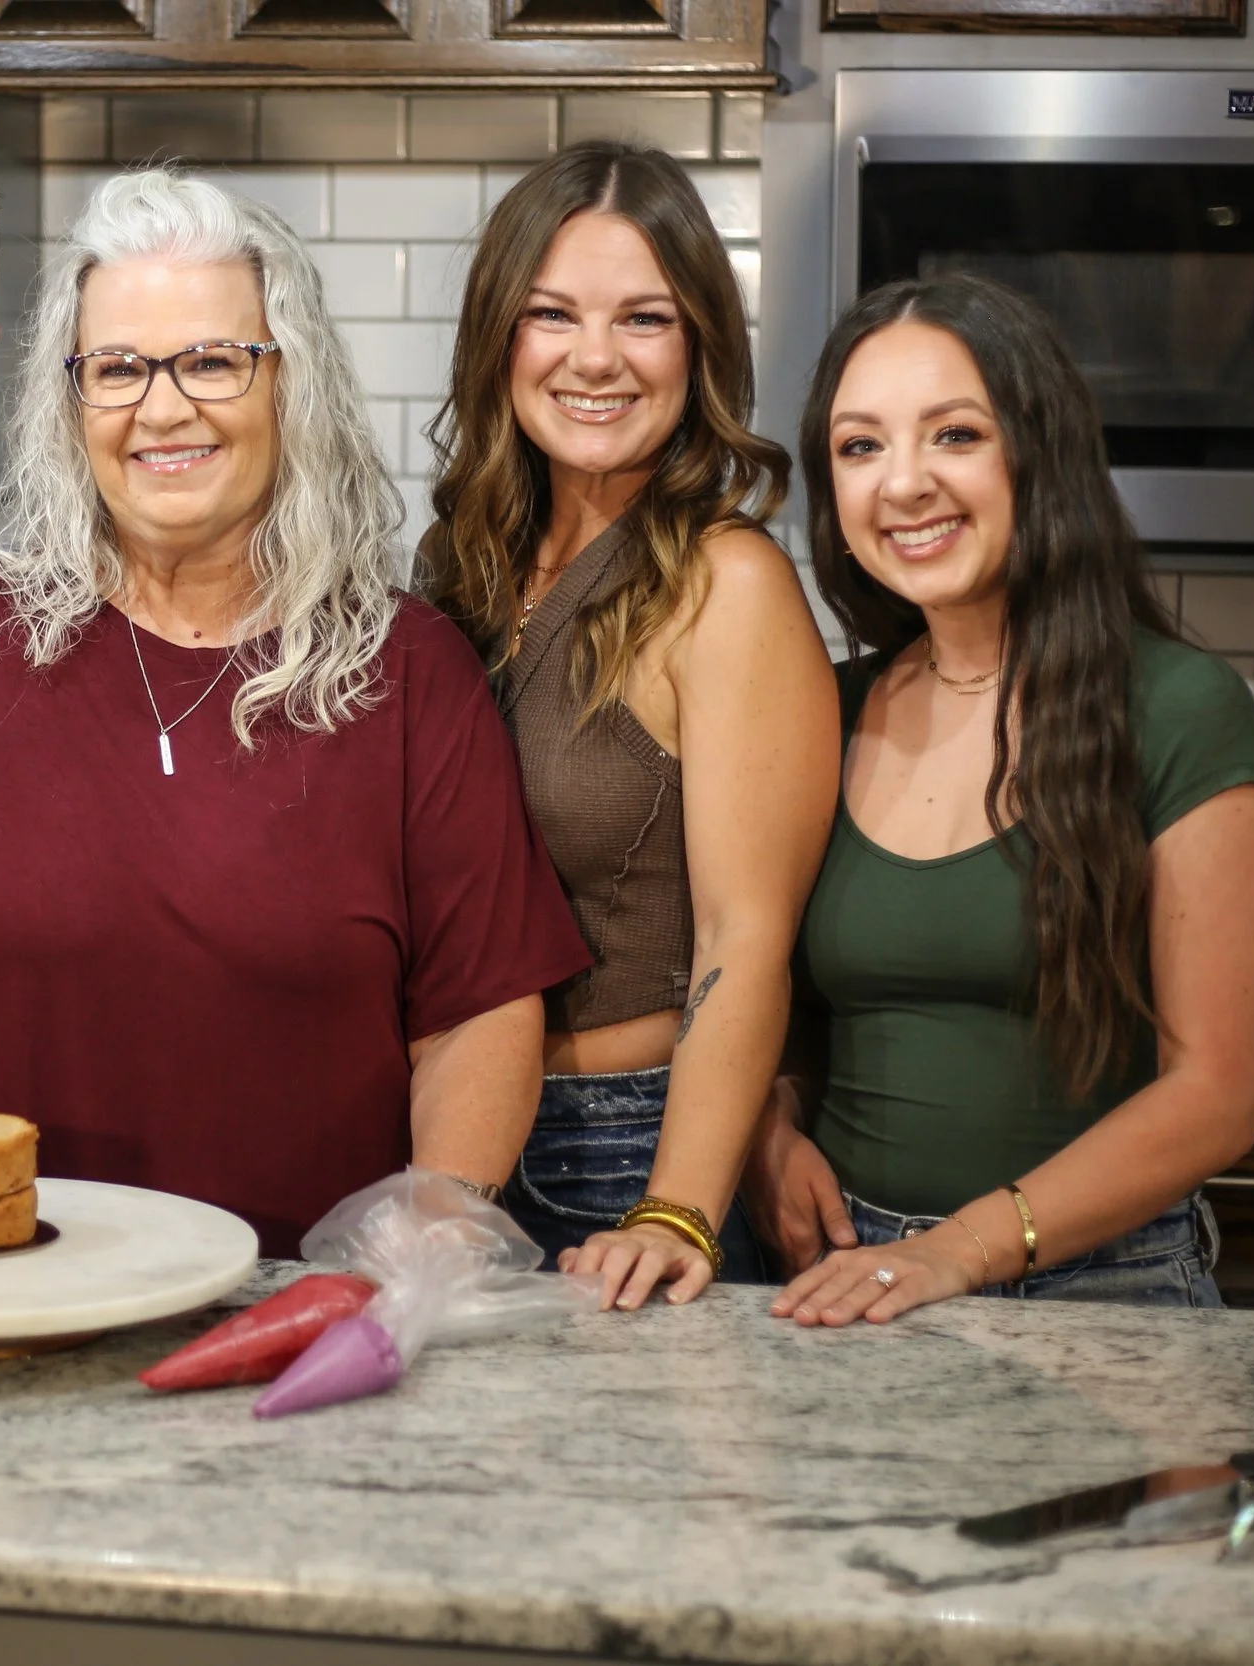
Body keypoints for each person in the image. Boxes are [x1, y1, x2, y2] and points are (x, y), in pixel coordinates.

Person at [0, 169, 591, 1257]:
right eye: (120, 368)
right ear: (70, 399)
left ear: (291, 384)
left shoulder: (409, 670)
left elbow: (476, 1012)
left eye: (211, 361)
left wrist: (426, 1237)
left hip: (295, 1314)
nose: (162, 405)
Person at [750, 273, 1254, 1322]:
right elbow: (797, 1008)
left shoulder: (1180, 711)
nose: (901, 483)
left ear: (1036, 455)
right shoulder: (829, 708)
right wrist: (768, 1133)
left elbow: (1216, 1098)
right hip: (840, 1279)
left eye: (953, 435)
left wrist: (957, 1251)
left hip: (1101, 1290)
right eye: (859, 447)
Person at [418, 142, 840, 1309]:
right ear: (499, 338)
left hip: (631, 1147)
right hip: (459, 1142)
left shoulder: (725, 581)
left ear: (697, 344)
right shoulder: (461, 565)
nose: (593, 357)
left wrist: (679, 1207)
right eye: (551, 314)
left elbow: (746, 939)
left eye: (643, 318)